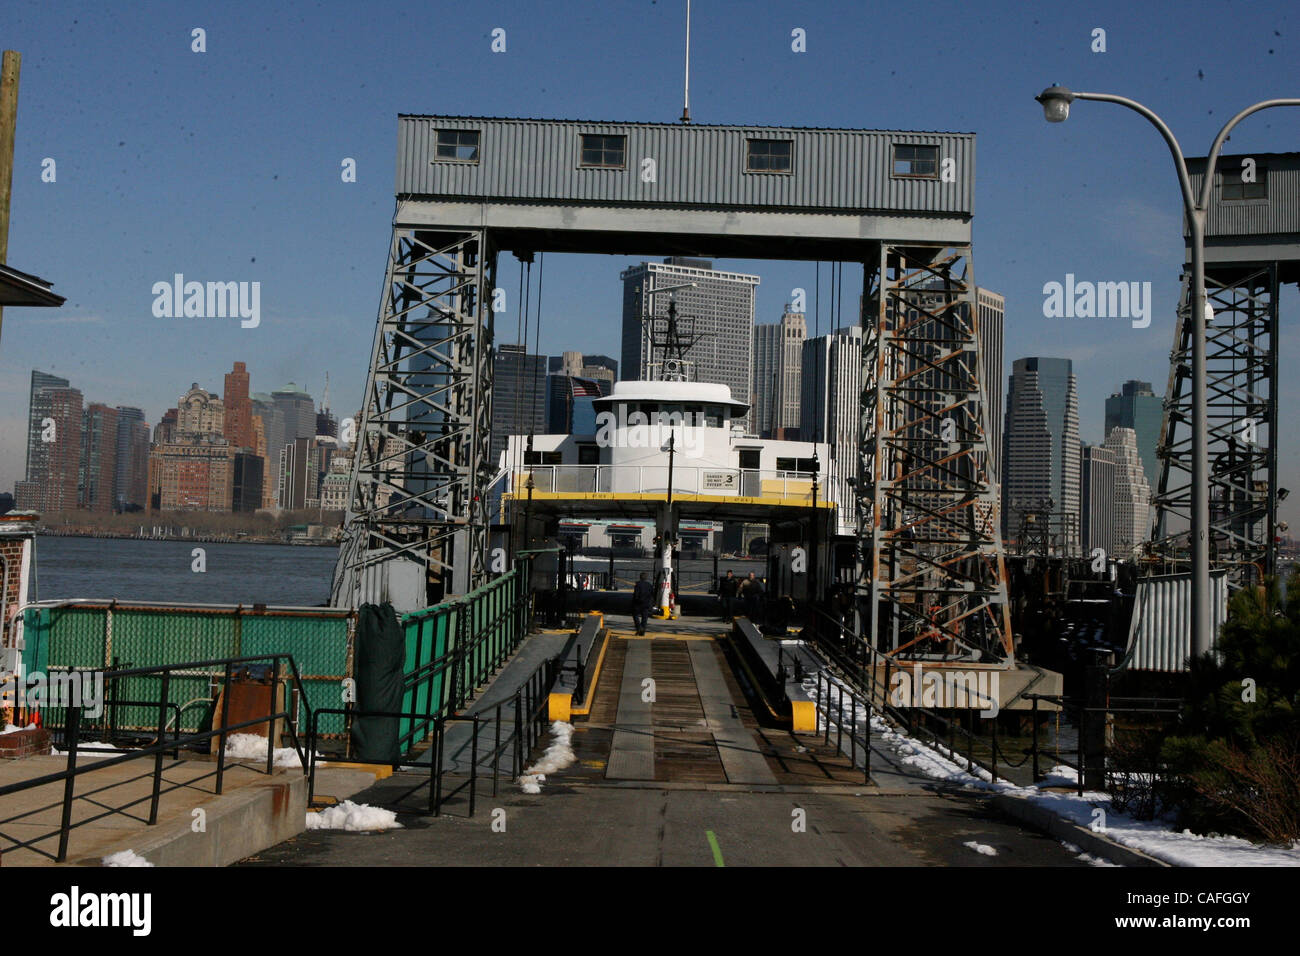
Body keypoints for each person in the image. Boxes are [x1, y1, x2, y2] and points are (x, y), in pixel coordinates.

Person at [631, 571, 655, 636]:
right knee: (645, 617)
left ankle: (639, 627)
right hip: (647, 603)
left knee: (635, 615)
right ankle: (642, 631)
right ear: (646, 578)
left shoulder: (637, 585)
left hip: (638, 603)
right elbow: (652, 595)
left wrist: (634, 602)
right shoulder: (650, 585)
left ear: (640, 577)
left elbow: (636, 595)